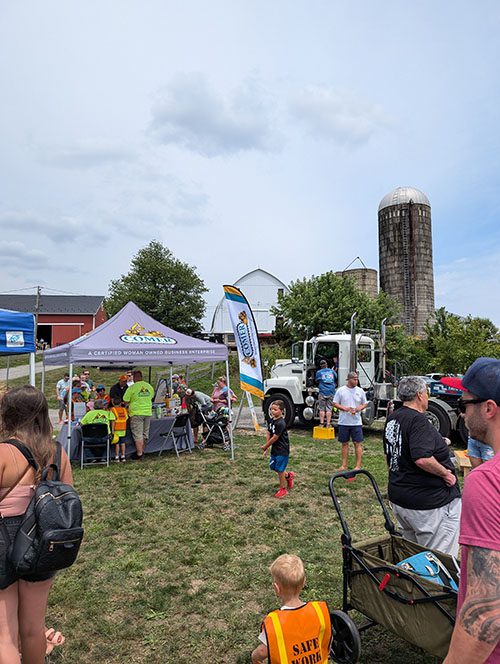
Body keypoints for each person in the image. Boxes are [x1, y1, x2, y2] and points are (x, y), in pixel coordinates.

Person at [0, 385, 73, 664]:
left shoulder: (3, 453)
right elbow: (68, 502)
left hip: (3, 540)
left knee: (4, 636)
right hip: (43, 542)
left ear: (8, 415)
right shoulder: (57, 453)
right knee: (33, 630)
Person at [441, 358, 500, 663]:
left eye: (463, 404)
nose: (461, 413)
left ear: (488, 408)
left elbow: (487, 613)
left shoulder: (488, 481)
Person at [383, 376, 461, 557]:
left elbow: (392, 453)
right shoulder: (418, 420)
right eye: (427, 392)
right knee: (437, 559)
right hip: (428, 503)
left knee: (414, 555)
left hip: (401, 496)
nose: (428, 396)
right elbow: (422, 458)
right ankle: (433, 586)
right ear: (419, 395)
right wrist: (446, 474)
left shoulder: (393, 418)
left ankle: (414, 585)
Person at [251, 554, 332, 664]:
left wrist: (255, 658)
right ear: (303, 582)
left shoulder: (275, 624)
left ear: (276, 588)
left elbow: (262, 651)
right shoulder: (319, 611)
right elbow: (328, 639)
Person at [332, 371, 367, 471]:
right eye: (354, 379)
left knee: (357, 443)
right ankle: (344, 465)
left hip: (356, 422)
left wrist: (358, 408)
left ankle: (358, 466)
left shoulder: (360, 391)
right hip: (344, 422)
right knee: (344, 443)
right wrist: (345, 408)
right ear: (349, 379)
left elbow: (365, 403)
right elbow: (335, 403)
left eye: (357, 379)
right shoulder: (341, 390)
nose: (356, 381)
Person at [262, 401, 294, 499]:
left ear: (281, 411)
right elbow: (268, 432)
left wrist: (266, 446)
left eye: (275, 409)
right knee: (273, 467)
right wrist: (267, 447)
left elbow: (275, 437)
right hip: (275, 449)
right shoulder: (271, 420)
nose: (272, 411)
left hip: (282, 450)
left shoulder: (281, 423)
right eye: (272, 409)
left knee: (280, 470)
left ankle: (283, 489)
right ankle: (288, 476)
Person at [123, 370, 154, 460]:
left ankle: (139, 454)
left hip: (136, 413)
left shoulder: (132, 387)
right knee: (145, 433)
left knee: (138, 434)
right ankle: (142, 451)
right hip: (148, 412)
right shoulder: (149, 386)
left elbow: (125, 400)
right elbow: (151, 397)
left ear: (135, 377)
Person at [315, 359, 337, 427]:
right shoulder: (332, 371)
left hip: (322, 392)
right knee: (329, 408)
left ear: (321, 366)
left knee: (322, 409)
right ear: (326, 364)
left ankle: (321, 423)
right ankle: (328, 424)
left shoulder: (319, 372)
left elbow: (317, 380)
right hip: (331, 392)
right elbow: (336, 378)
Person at [110, 397, 128, 462]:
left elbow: (113, 421)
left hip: (116, 429)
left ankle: (117, 457)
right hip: (123, 429)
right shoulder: (124, 410)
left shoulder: (113, 410)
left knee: (117, 443)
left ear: (113, 403)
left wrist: (112, 430)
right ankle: (123, 456)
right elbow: (126, 418)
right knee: (123, 443)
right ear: (121, 403)